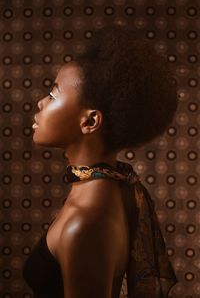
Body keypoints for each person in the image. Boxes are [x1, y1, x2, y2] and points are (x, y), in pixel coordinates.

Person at [22, 24, 178, 298]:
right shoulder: (106, 190)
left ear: (91, 121)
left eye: (53, 94)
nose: (41, 103)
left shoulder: (86, 222)